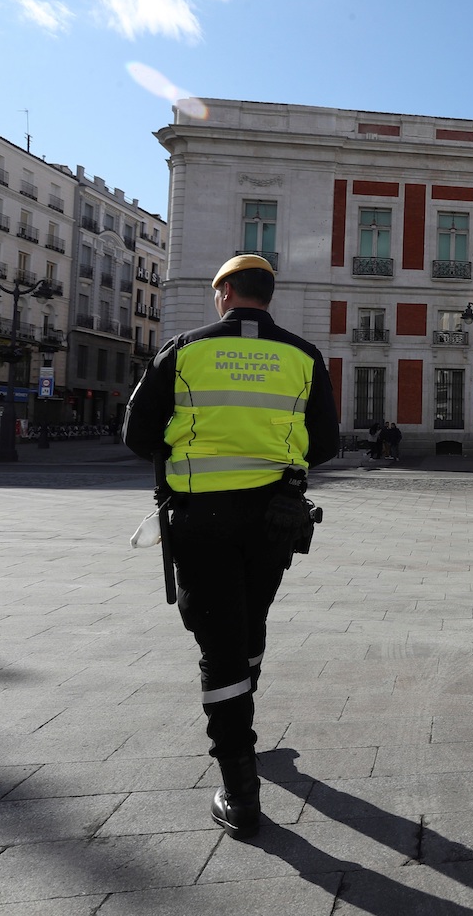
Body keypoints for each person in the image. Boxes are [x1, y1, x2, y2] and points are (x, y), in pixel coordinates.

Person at [122, 253, 339, 840]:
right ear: (268, 297)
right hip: (275, 516)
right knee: (249, 622)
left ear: (223, 294)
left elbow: (137, 433)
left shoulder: (184, 349)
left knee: (219, 643)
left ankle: (240, 791)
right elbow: (325, 443)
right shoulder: (303, 355)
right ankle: (244, 724)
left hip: (202, 516)